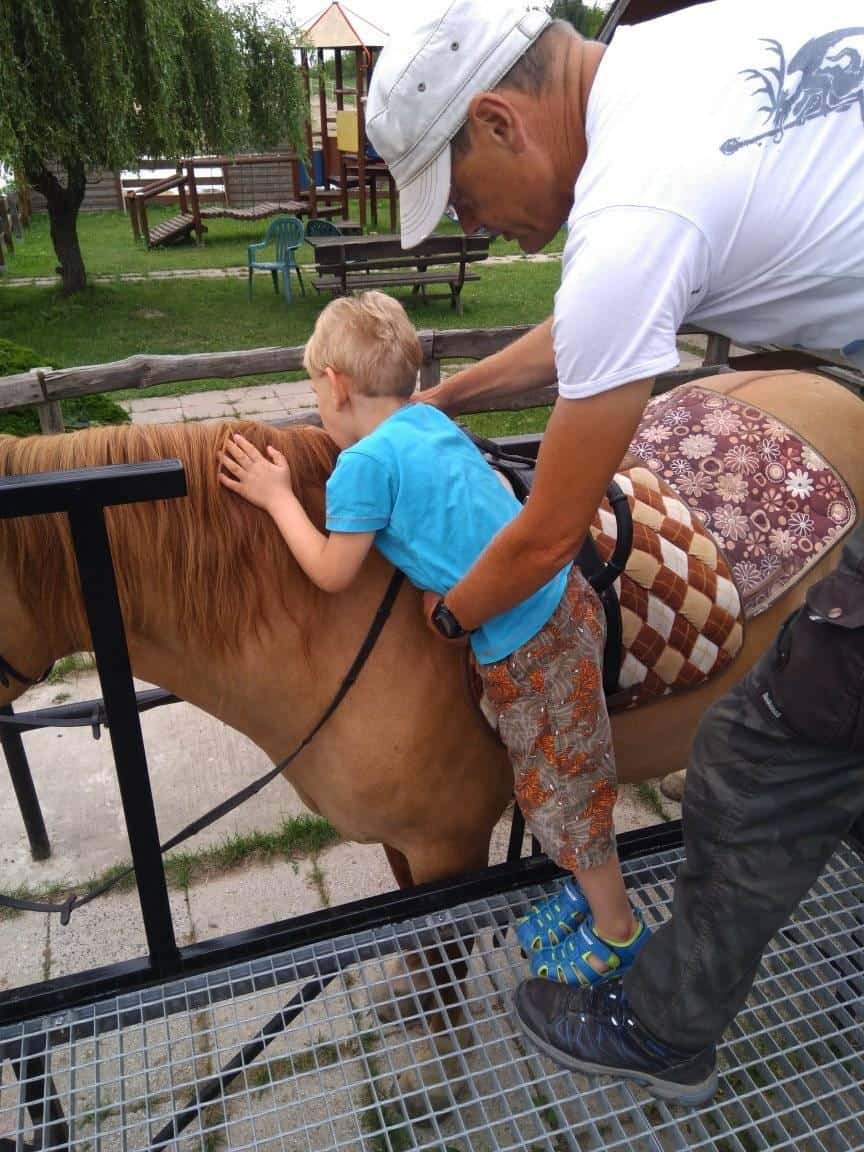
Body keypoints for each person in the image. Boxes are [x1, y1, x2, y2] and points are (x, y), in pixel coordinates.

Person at [364, 0, 864, 1107]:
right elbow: (593, 327)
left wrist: (448, 621)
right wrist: (443, 397)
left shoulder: (636, 202)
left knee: (754, 760)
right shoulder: (664, 59)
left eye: (462, 197)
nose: (478, 229)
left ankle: (665, 1032)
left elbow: (544, 534)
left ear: (499, 121)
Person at [219, 289, 651, 986]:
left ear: (334, 386)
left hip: (530, 641)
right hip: (564, 599)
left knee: (562, 791)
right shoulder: (429, 423)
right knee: (555, 782)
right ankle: (583, 887)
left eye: (314, 394)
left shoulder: (363, 466)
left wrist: (275, 497)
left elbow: (333, 572)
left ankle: (617, 930)